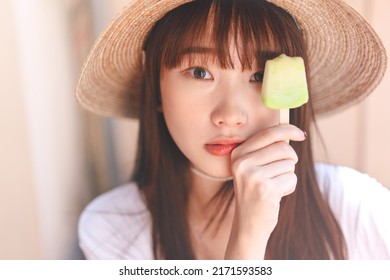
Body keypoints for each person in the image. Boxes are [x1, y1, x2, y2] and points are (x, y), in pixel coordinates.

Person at [76, 0, 390, 259]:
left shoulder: (356, 207)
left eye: (258, 75)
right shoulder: (114, 226)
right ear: (156, 88)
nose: (230, 115)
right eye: (200, 72)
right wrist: (248, 236)